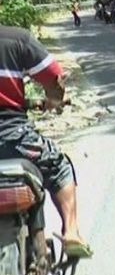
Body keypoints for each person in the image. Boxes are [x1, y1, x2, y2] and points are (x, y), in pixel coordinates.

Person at [0, 24, 92, 258]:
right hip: (13, 137)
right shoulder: (16, 39)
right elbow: (53, 77)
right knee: (59, 167)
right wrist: (54, 99)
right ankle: (71, 232)